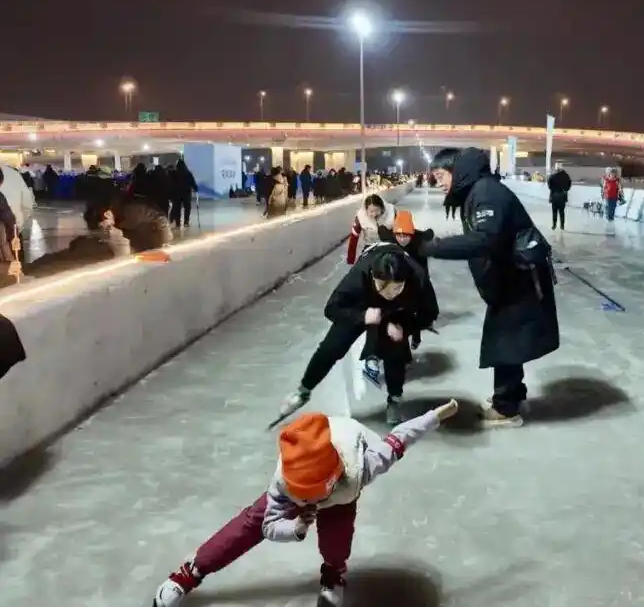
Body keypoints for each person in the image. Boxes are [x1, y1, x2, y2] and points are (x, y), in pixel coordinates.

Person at [151, 401, 458, 607]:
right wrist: (296, 528)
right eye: (303, 496)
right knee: (249, 523)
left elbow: (399, 439)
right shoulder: (284, 485)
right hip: (312, 474)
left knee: (338, 535)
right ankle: (192, 570)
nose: (309, 502)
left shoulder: (363, 466)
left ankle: (334, 571)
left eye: (314, 495)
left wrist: (434, 417)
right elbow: (268, 526)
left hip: (343, 479)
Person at [422, 147, 559, 428]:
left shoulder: (485, 192)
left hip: (520, 280)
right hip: (512, 279)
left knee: (504, 343)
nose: (438, 183)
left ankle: (506, 410)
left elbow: (486, 239)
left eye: (440, 176)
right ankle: (511, 395)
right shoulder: (478, 191)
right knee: (507, 341)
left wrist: (434, 247)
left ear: (457, 171)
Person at [280, 242, 436, 424]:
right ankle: (303, 390)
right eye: (382, 286)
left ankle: (395, 398)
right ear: (372, 276)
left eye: (396, 288)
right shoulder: (359, 277)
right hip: (362, 304)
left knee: (395, 350)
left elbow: (430, 313)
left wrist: (405, 328)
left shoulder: (418, 278)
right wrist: (362, 316)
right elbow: (331, 308)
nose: (388, 294)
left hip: (396, 312)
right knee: (332, 347)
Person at [378, 210, 439, 339]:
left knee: (425, 296)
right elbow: (382, 231)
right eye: (399, 236)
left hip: (419, 274)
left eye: (406, 236)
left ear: (412, 234)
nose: (402, 239)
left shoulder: (419, 241)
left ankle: (426, 320)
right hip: (401, 274)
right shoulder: (390, 238)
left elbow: (429, 234)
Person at [346, 193, 395, 264]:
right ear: (366, 210)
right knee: (364, 265)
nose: (374, 214)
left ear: (382, 207)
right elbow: (354, 237)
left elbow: (400, 232)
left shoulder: (391, 212)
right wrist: (351, 259)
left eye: (377, 210)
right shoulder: (360, 216)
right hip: (370, 246)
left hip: (388, 245)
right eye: (371, 211)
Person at [168, 159, 197, 228]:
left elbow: (170, 183)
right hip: (186, 193)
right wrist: (196, 188)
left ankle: (177, 222)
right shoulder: (188, 173)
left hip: (176, 194)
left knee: (177, 208)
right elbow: (192, 182)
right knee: (187, 208)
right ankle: (186, 222)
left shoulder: (174, 173)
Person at [547, 164, 571, 231]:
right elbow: (569, 185)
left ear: (556, 169)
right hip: (562, 196)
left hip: (554, 196)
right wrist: (565, 189)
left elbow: (549, 186)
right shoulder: (566, 176)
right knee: (562, 212)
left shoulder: (552, 176)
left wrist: (553, 189)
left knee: (554, 212)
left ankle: (554, 225)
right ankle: (562, 226)